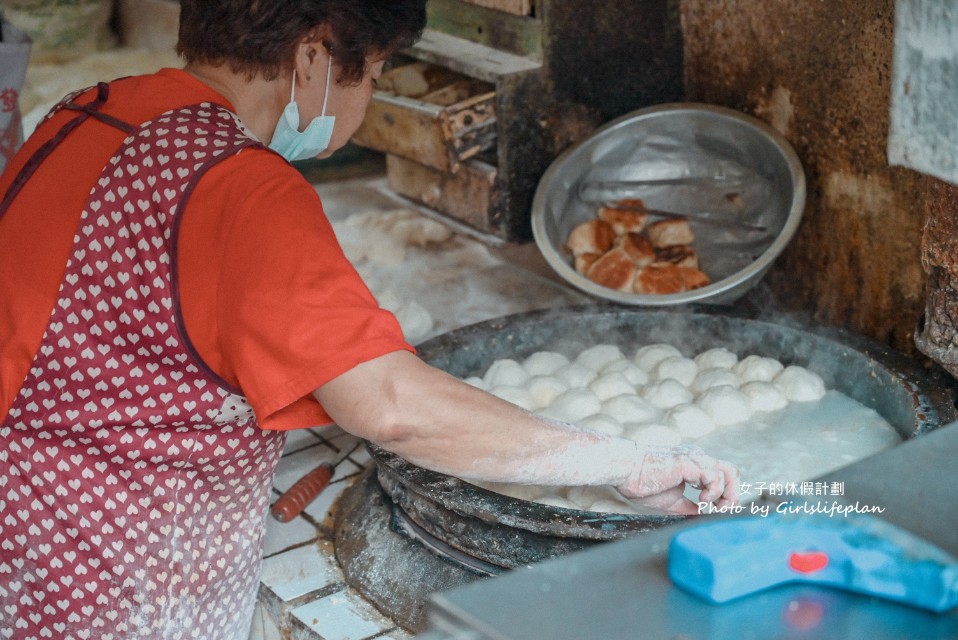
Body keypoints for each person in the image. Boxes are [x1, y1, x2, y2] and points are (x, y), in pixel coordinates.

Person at [0, 1, 740, 638]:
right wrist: (626, 463)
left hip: (22, 545)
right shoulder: (241, 189)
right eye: (378, 72)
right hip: (108, 584)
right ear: (316, 54)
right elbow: (391, 408)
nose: (367, 101)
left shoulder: (88, 110)